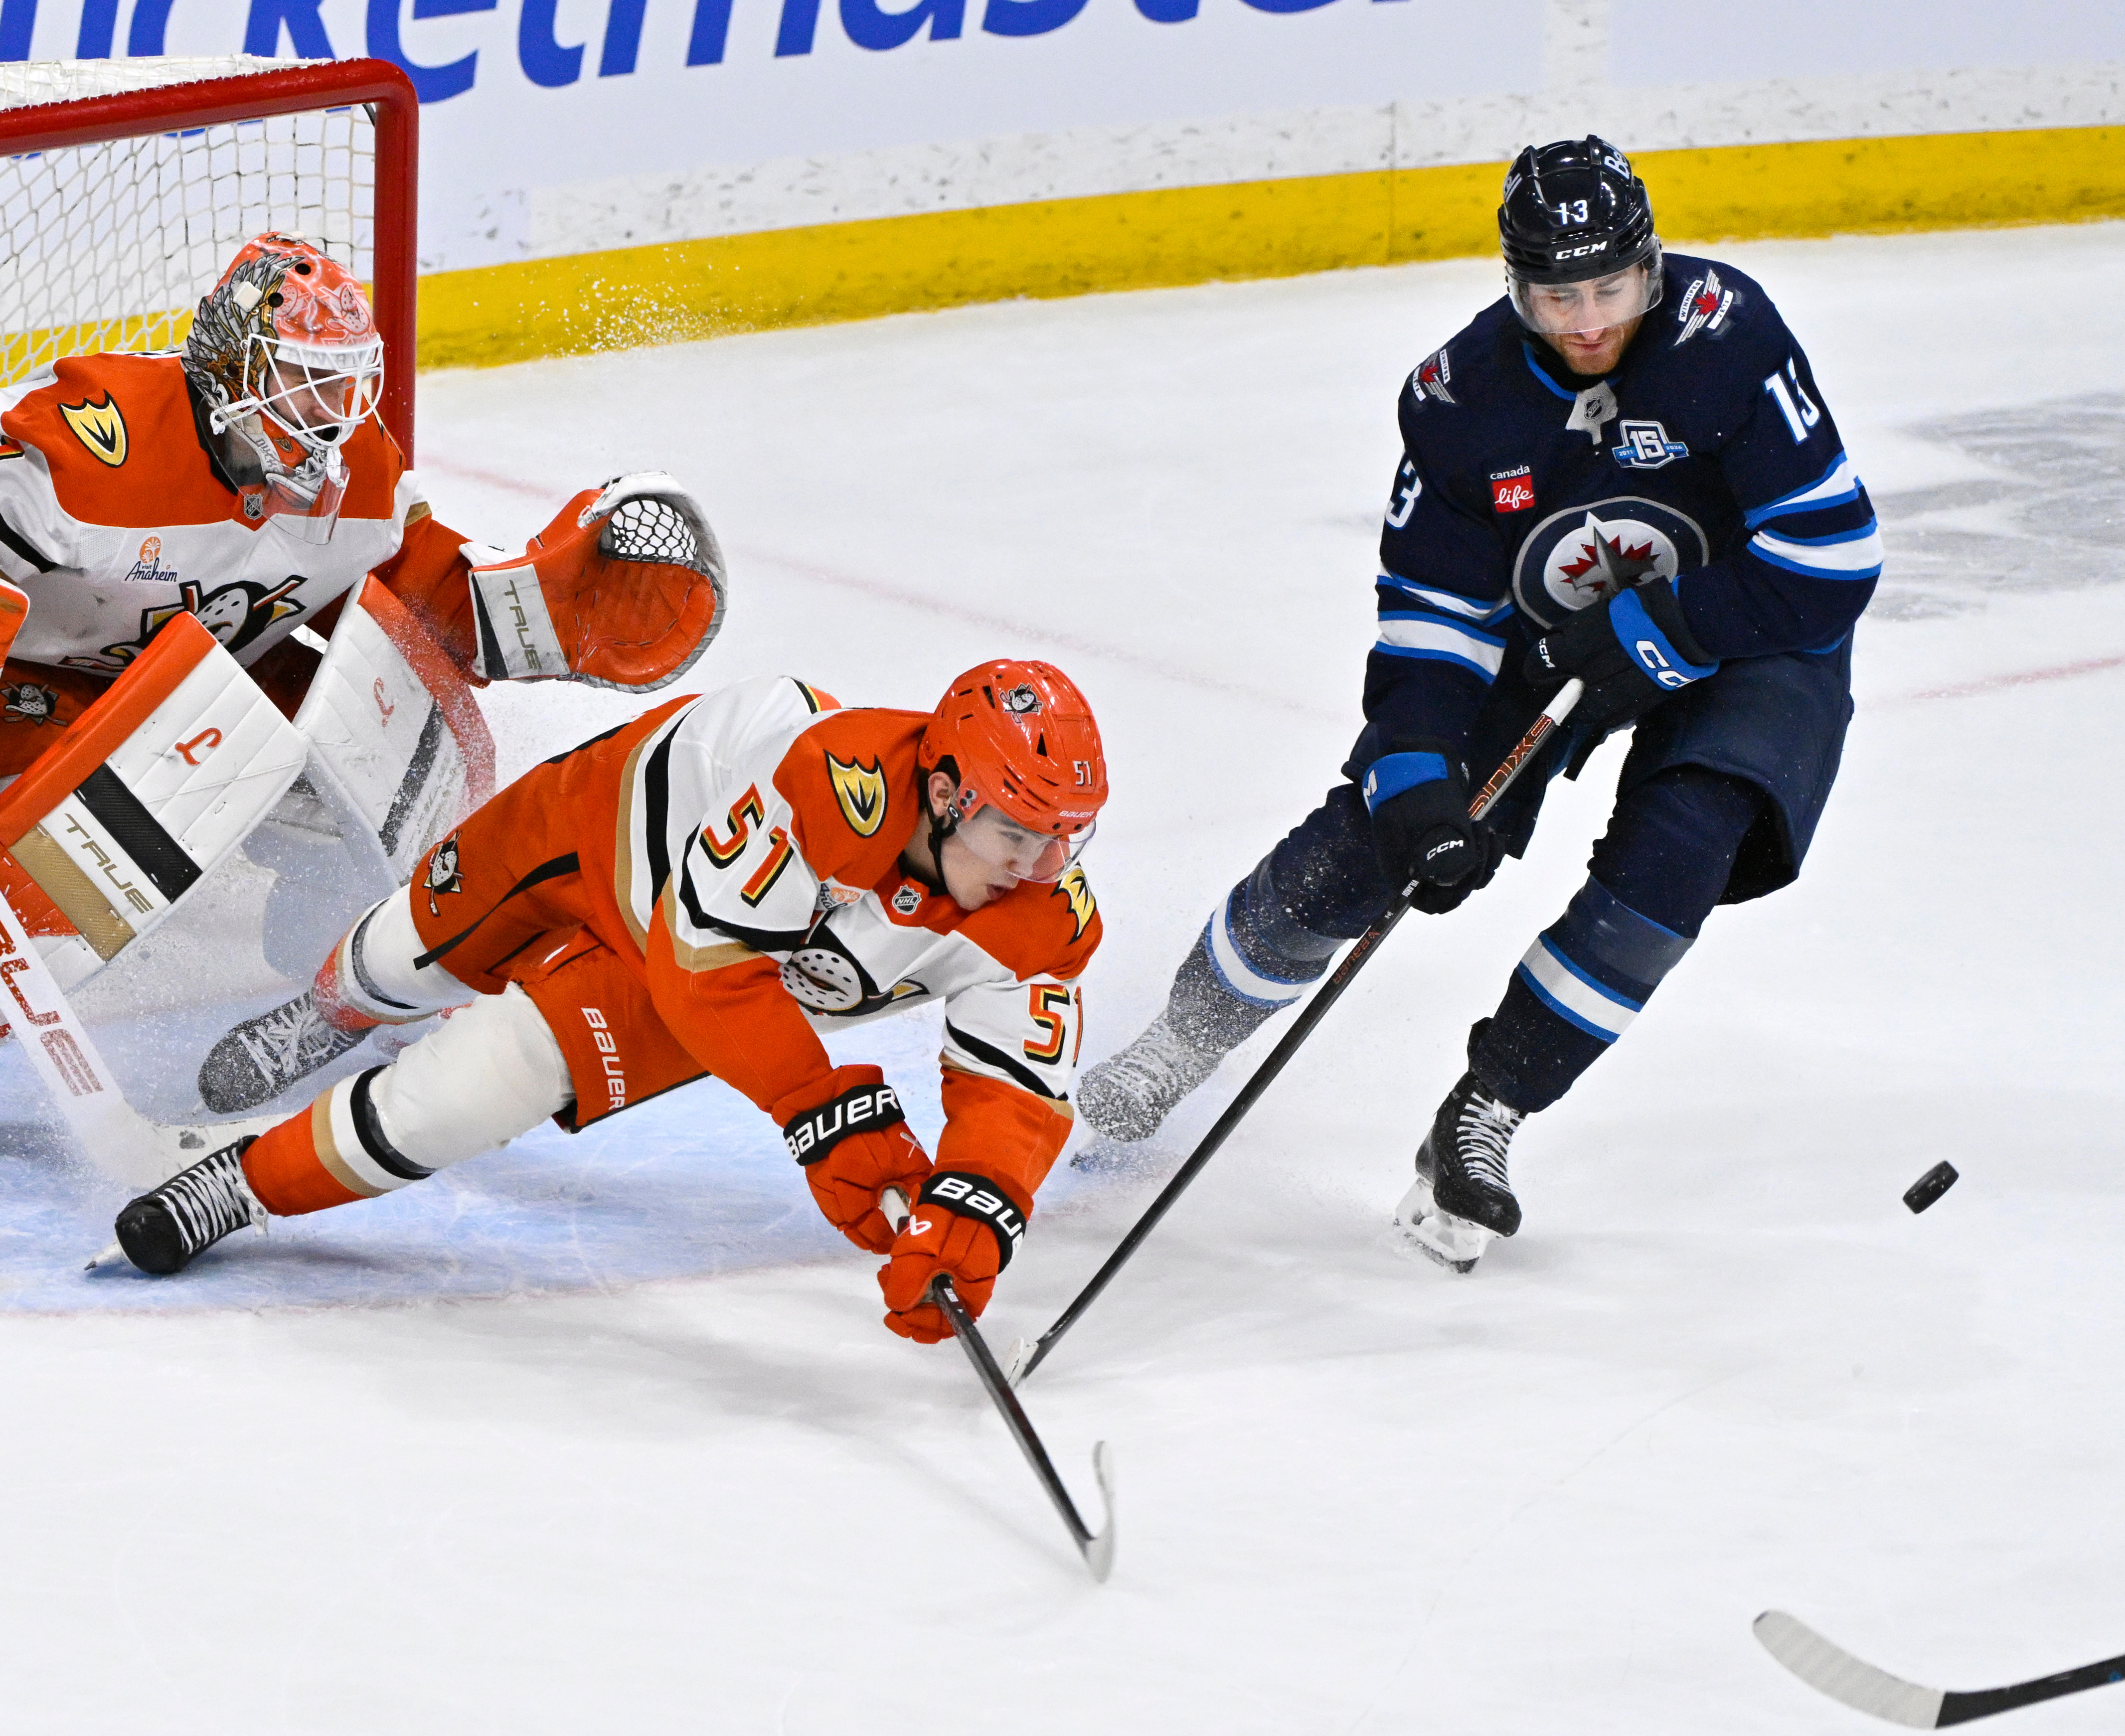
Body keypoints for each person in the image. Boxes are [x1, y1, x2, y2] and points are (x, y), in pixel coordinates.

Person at [0, 232, 725, 1181]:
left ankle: (361, 960)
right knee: (112, 825)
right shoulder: (110, 447)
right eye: (300, 384)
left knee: (371, 725)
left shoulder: (353, 476)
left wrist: (539, 608)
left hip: (169, 677)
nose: (326, 421)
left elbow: (423, 602)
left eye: (341, 389)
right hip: (26, 677)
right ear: (231, 369)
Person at [1076, 137, 1881, 1270]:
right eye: (1558, 295)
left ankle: (1488, 1106)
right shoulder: (1461, 402)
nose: (1589, 319)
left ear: (1650, 265)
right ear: (1515, 286)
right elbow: (1431, 625)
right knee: (1371, 841)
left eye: (1610, 287)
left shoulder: (1726, 335)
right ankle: (1182, 1035)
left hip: (1750, 634)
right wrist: (1414, 781)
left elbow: (1831, 558)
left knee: (1687, 845)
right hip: (1548, 638)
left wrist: (1657, 633)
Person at [109, 661, 1108, 1344]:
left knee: (471, 1091)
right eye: (1022, 832)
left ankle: (244, 1183)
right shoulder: (830, 786)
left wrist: (977, 1209)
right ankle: (335, 1012)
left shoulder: (1040, 915)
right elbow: (704, 963)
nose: (1042, 867)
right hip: (605, 831)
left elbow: (1017, 1090)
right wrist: (821, 1108)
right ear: (945, 794)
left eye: (1066, 837)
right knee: (413, 946)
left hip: (694, 970)